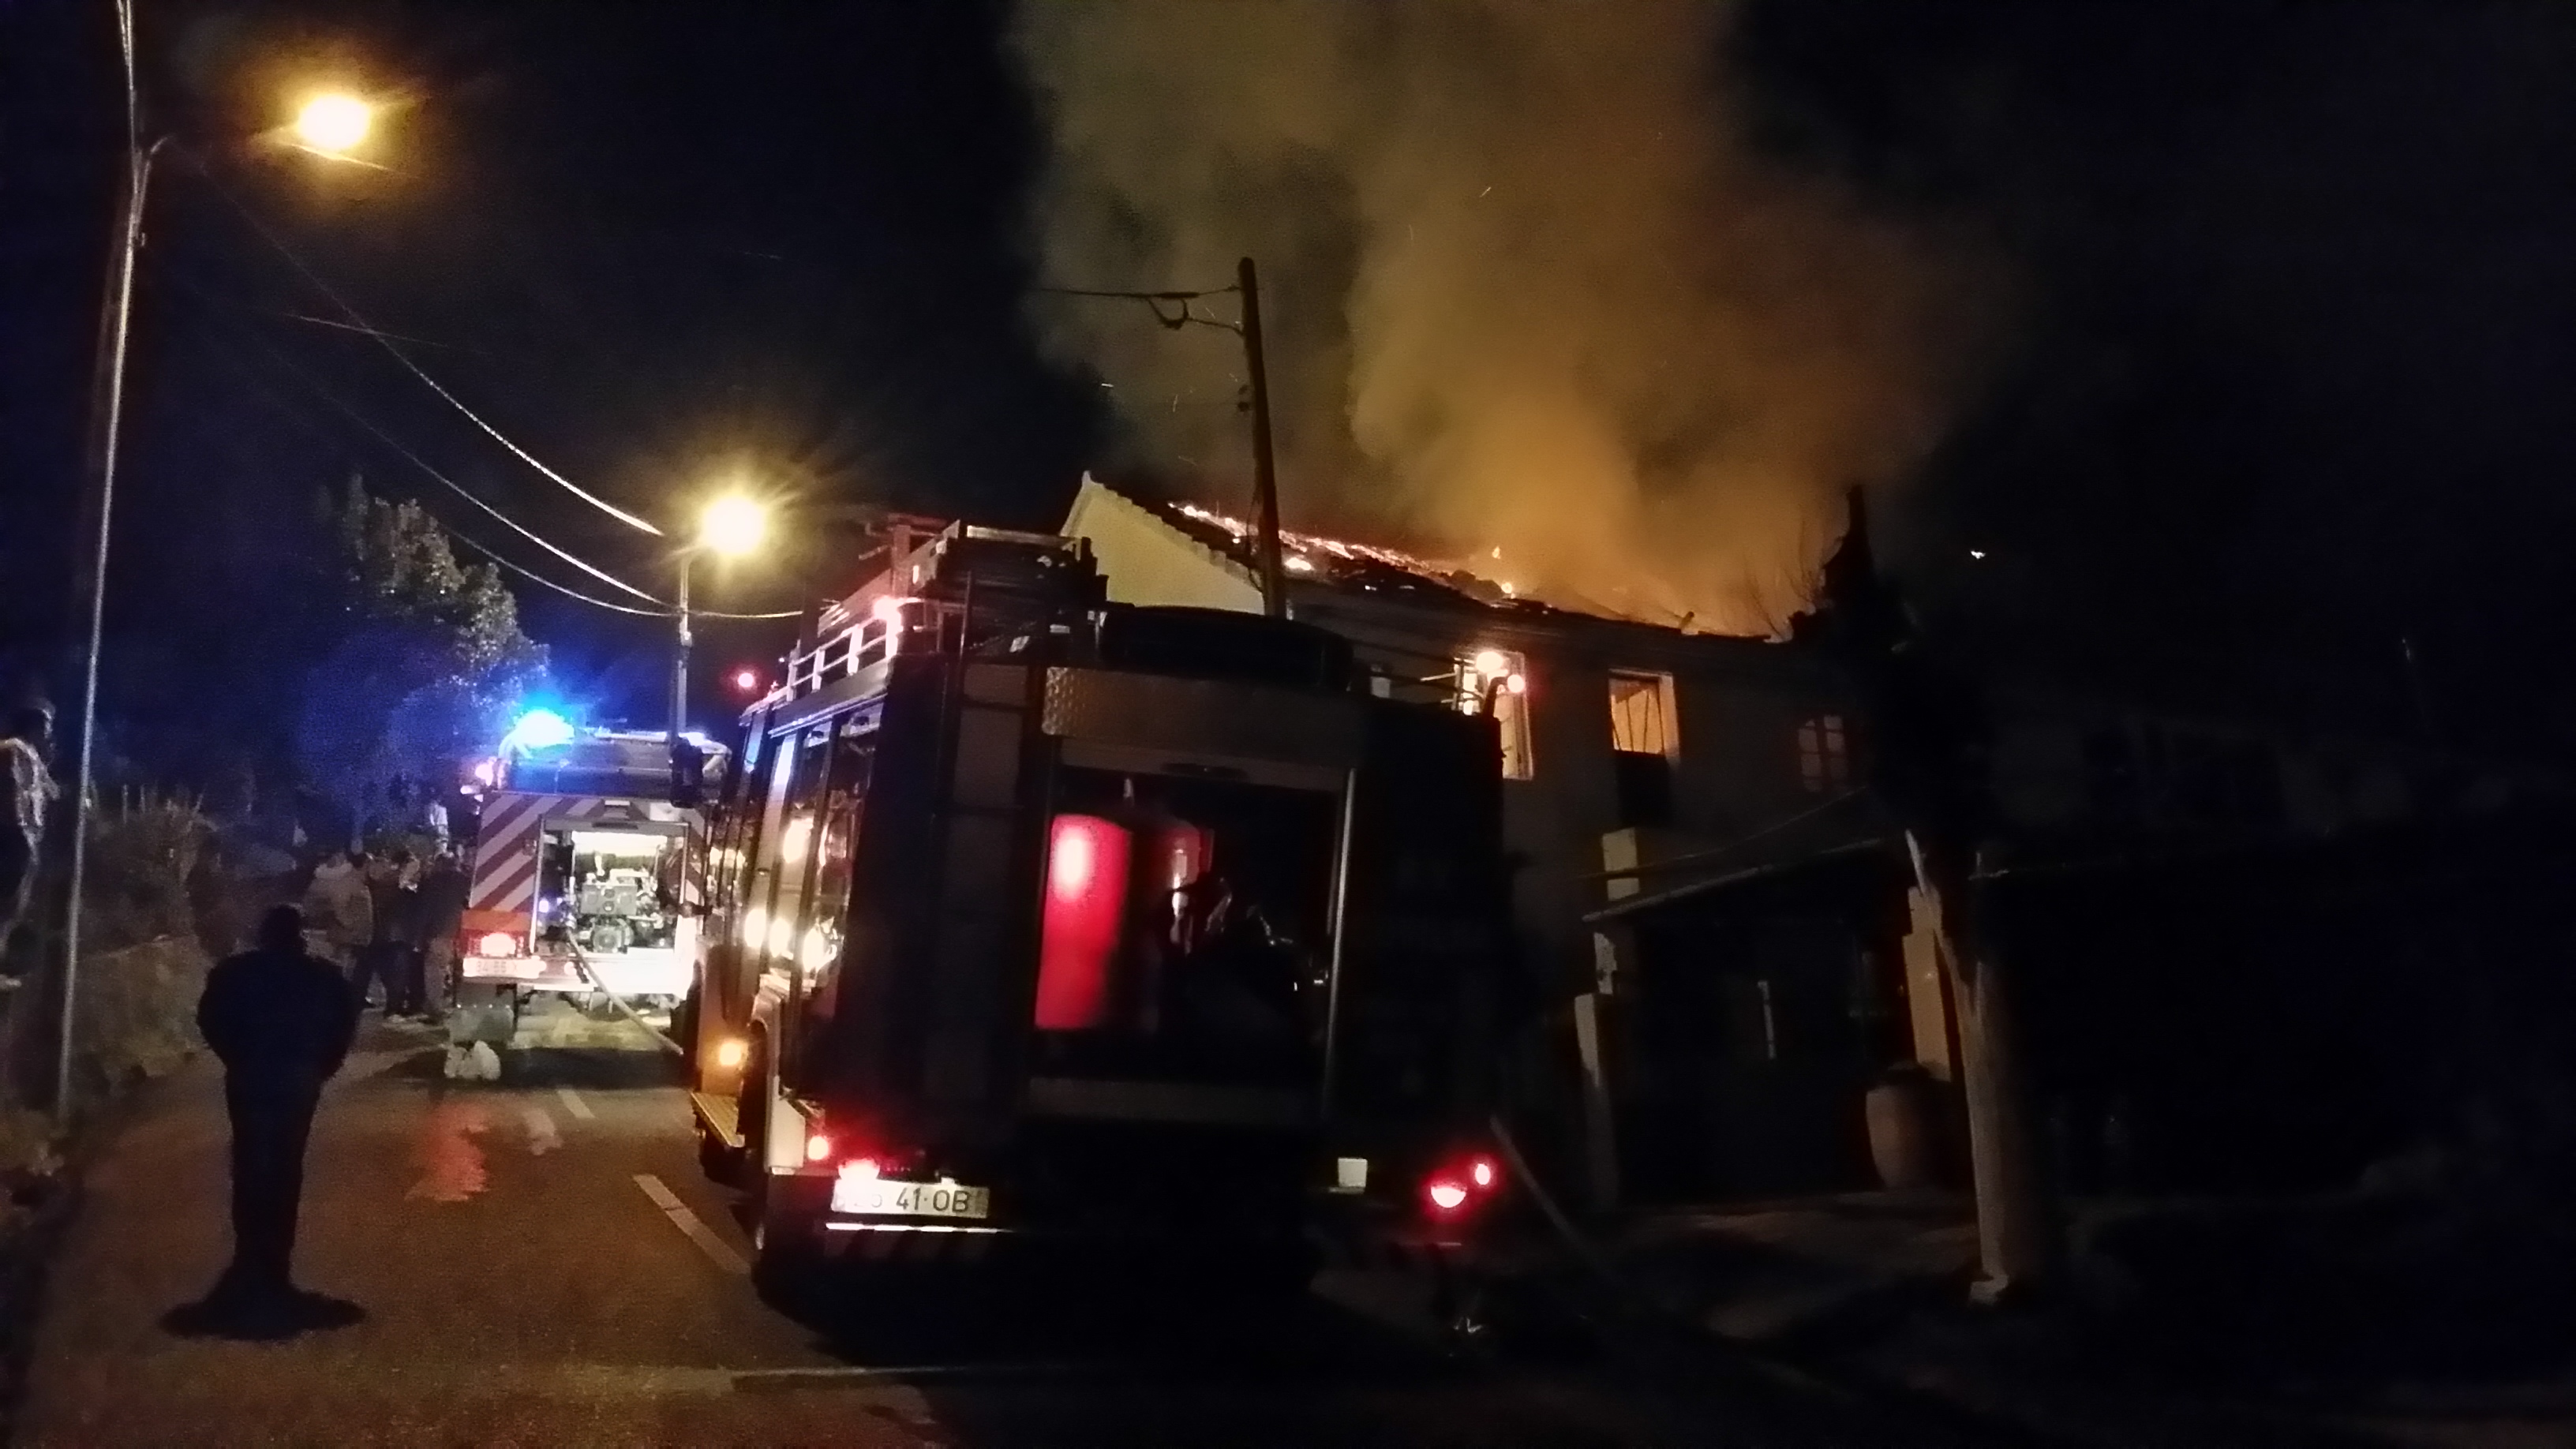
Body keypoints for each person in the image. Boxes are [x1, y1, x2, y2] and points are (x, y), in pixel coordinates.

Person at [195, 905, 357, 1309]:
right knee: (286, 1167)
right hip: (298, 1078)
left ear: (263, 932)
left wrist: (236, 1057)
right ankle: (275, 1269)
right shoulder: (323, 976)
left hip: (250, 1075)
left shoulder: (234, 973)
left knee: (250, 1163)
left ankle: (249, 1260)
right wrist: (322, 1066)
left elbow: (210, 1019)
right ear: (299, 934)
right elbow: (343, 1024)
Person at [0, 703, 58, 968]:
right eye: (45, 726)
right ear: (32, 726)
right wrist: (19, 830)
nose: (48, 732)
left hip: (27, 836)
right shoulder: (13, 749)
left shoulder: (32, 755)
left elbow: (52, 790)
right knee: (7, 899)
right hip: (14, 834)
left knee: (14, 904)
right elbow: (11, 789)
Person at [415, 848, 468, 1022]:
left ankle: (436, 1009)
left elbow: (425, 910)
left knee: (434, 971)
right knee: (460, 971)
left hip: (439, 932)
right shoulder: (465, 881)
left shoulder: (433, 882)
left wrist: (420, 936)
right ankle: (460, 1005)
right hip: (462, 933)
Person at [301, 850, 372, 978]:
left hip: (357, 938)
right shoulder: (347, 882)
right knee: (343, 970)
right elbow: (340, 906)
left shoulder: (359, 883)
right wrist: (351, 926)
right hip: (347, 937)